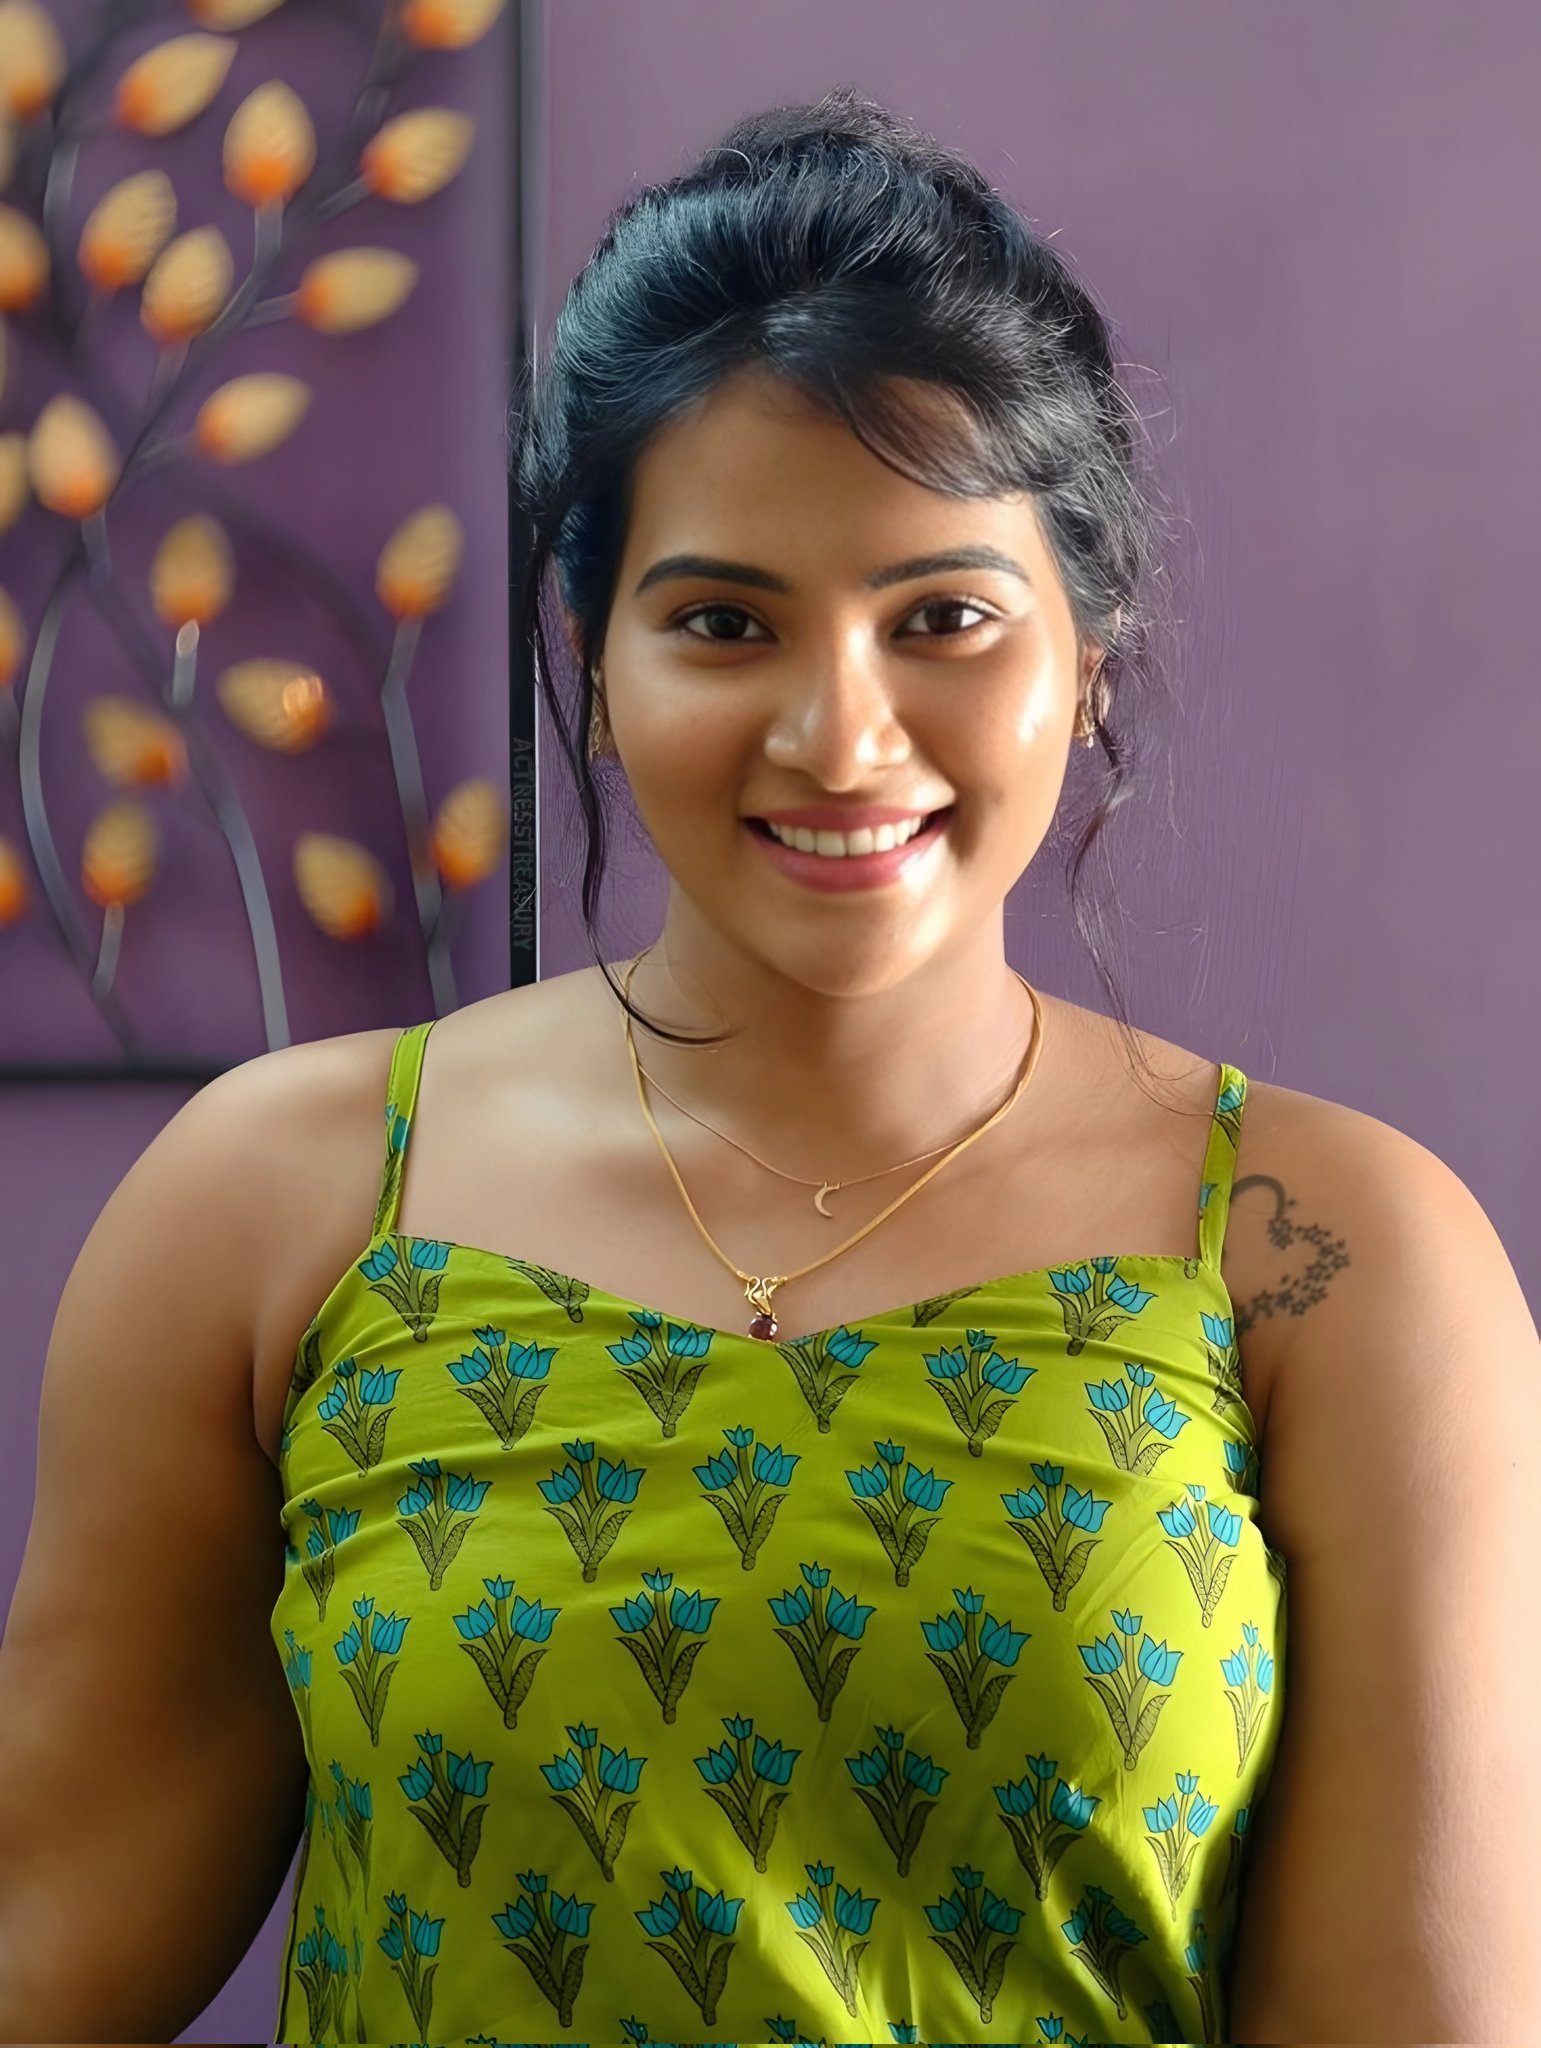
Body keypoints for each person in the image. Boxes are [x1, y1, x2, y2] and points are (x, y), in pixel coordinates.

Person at [2, 86, 1538, 2048]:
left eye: (944, 620)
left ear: (1090, 643)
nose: (841, 730)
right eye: (724, 619)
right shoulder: (282, 1204)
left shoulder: (1334, 1257)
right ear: (597, 644)